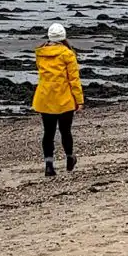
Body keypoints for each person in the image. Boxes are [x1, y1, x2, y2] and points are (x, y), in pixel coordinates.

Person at [33, 22, 84, 177]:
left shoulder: (40, 53)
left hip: (45, 97)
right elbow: (74, 79)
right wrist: (79, 100)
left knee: (48, 132)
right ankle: (69, 157)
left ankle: (49, 164)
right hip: (64, 97)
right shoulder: (67, 54)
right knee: (65, 131)